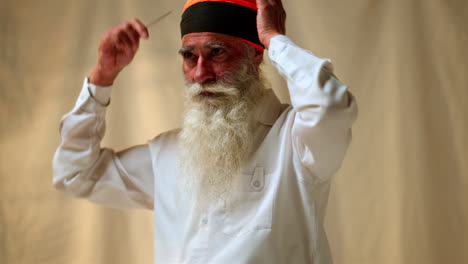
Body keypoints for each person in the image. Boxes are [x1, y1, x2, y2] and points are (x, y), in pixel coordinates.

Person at [53, 0, 358, 263]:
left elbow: (331, 106)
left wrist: (275, 39)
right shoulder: (167, 154)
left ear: (255, 54)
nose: (200, 73)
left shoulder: (295, 141)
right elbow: (73, 174)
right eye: (189, 56)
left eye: (217, 52)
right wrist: (102, 77)